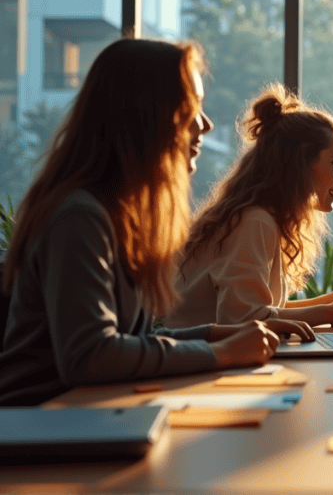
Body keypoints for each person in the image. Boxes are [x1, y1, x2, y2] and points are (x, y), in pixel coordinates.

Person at [0, 39, 313, 407]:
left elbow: (131, 342)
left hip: (83, 412)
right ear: (146, 115)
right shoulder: (78, 217)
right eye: (191, 108)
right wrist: (222, 354)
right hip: (40, 425)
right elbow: (91, 356)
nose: (206, 124)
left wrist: (221, 335)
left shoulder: (116, 216)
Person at [163, 84, 333, 329]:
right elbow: (243, 318)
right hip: (203, 362)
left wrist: (329, 303)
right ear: (301, 165)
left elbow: (256, 309)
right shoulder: (255, 221)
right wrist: (329, 313)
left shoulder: (259, 216)